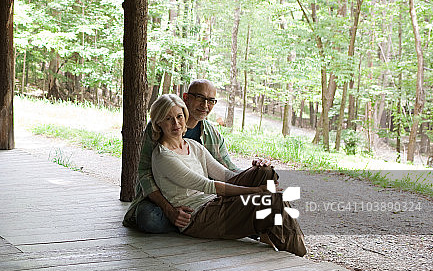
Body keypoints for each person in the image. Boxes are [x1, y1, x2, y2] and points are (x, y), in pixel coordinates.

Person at [146, 94, 306, 256]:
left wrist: (253, 170)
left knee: (264, 171)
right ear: (158, 123)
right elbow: (208, 185)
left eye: (179, 116)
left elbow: (225, 175)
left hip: (214, 202)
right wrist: (257, 191)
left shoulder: (193, 146)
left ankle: (268, 233)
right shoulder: (163, 156)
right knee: (273, 201)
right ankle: (299, 256)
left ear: (184, 116)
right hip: (197, 217)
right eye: (168, 119)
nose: (176, 123)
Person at [123, 79, 239, 233]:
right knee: (149, 218)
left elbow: (227, 169)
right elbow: (144, 172)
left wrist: (255, 171)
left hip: (200, 196)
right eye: (200, 98)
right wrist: (169, 210)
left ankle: (189, 219)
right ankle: (187, 220)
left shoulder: (211, 134)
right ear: (186, 97)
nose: (205, 105)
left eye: (210, 101)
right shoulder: (156, 128)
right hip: (161, 197)